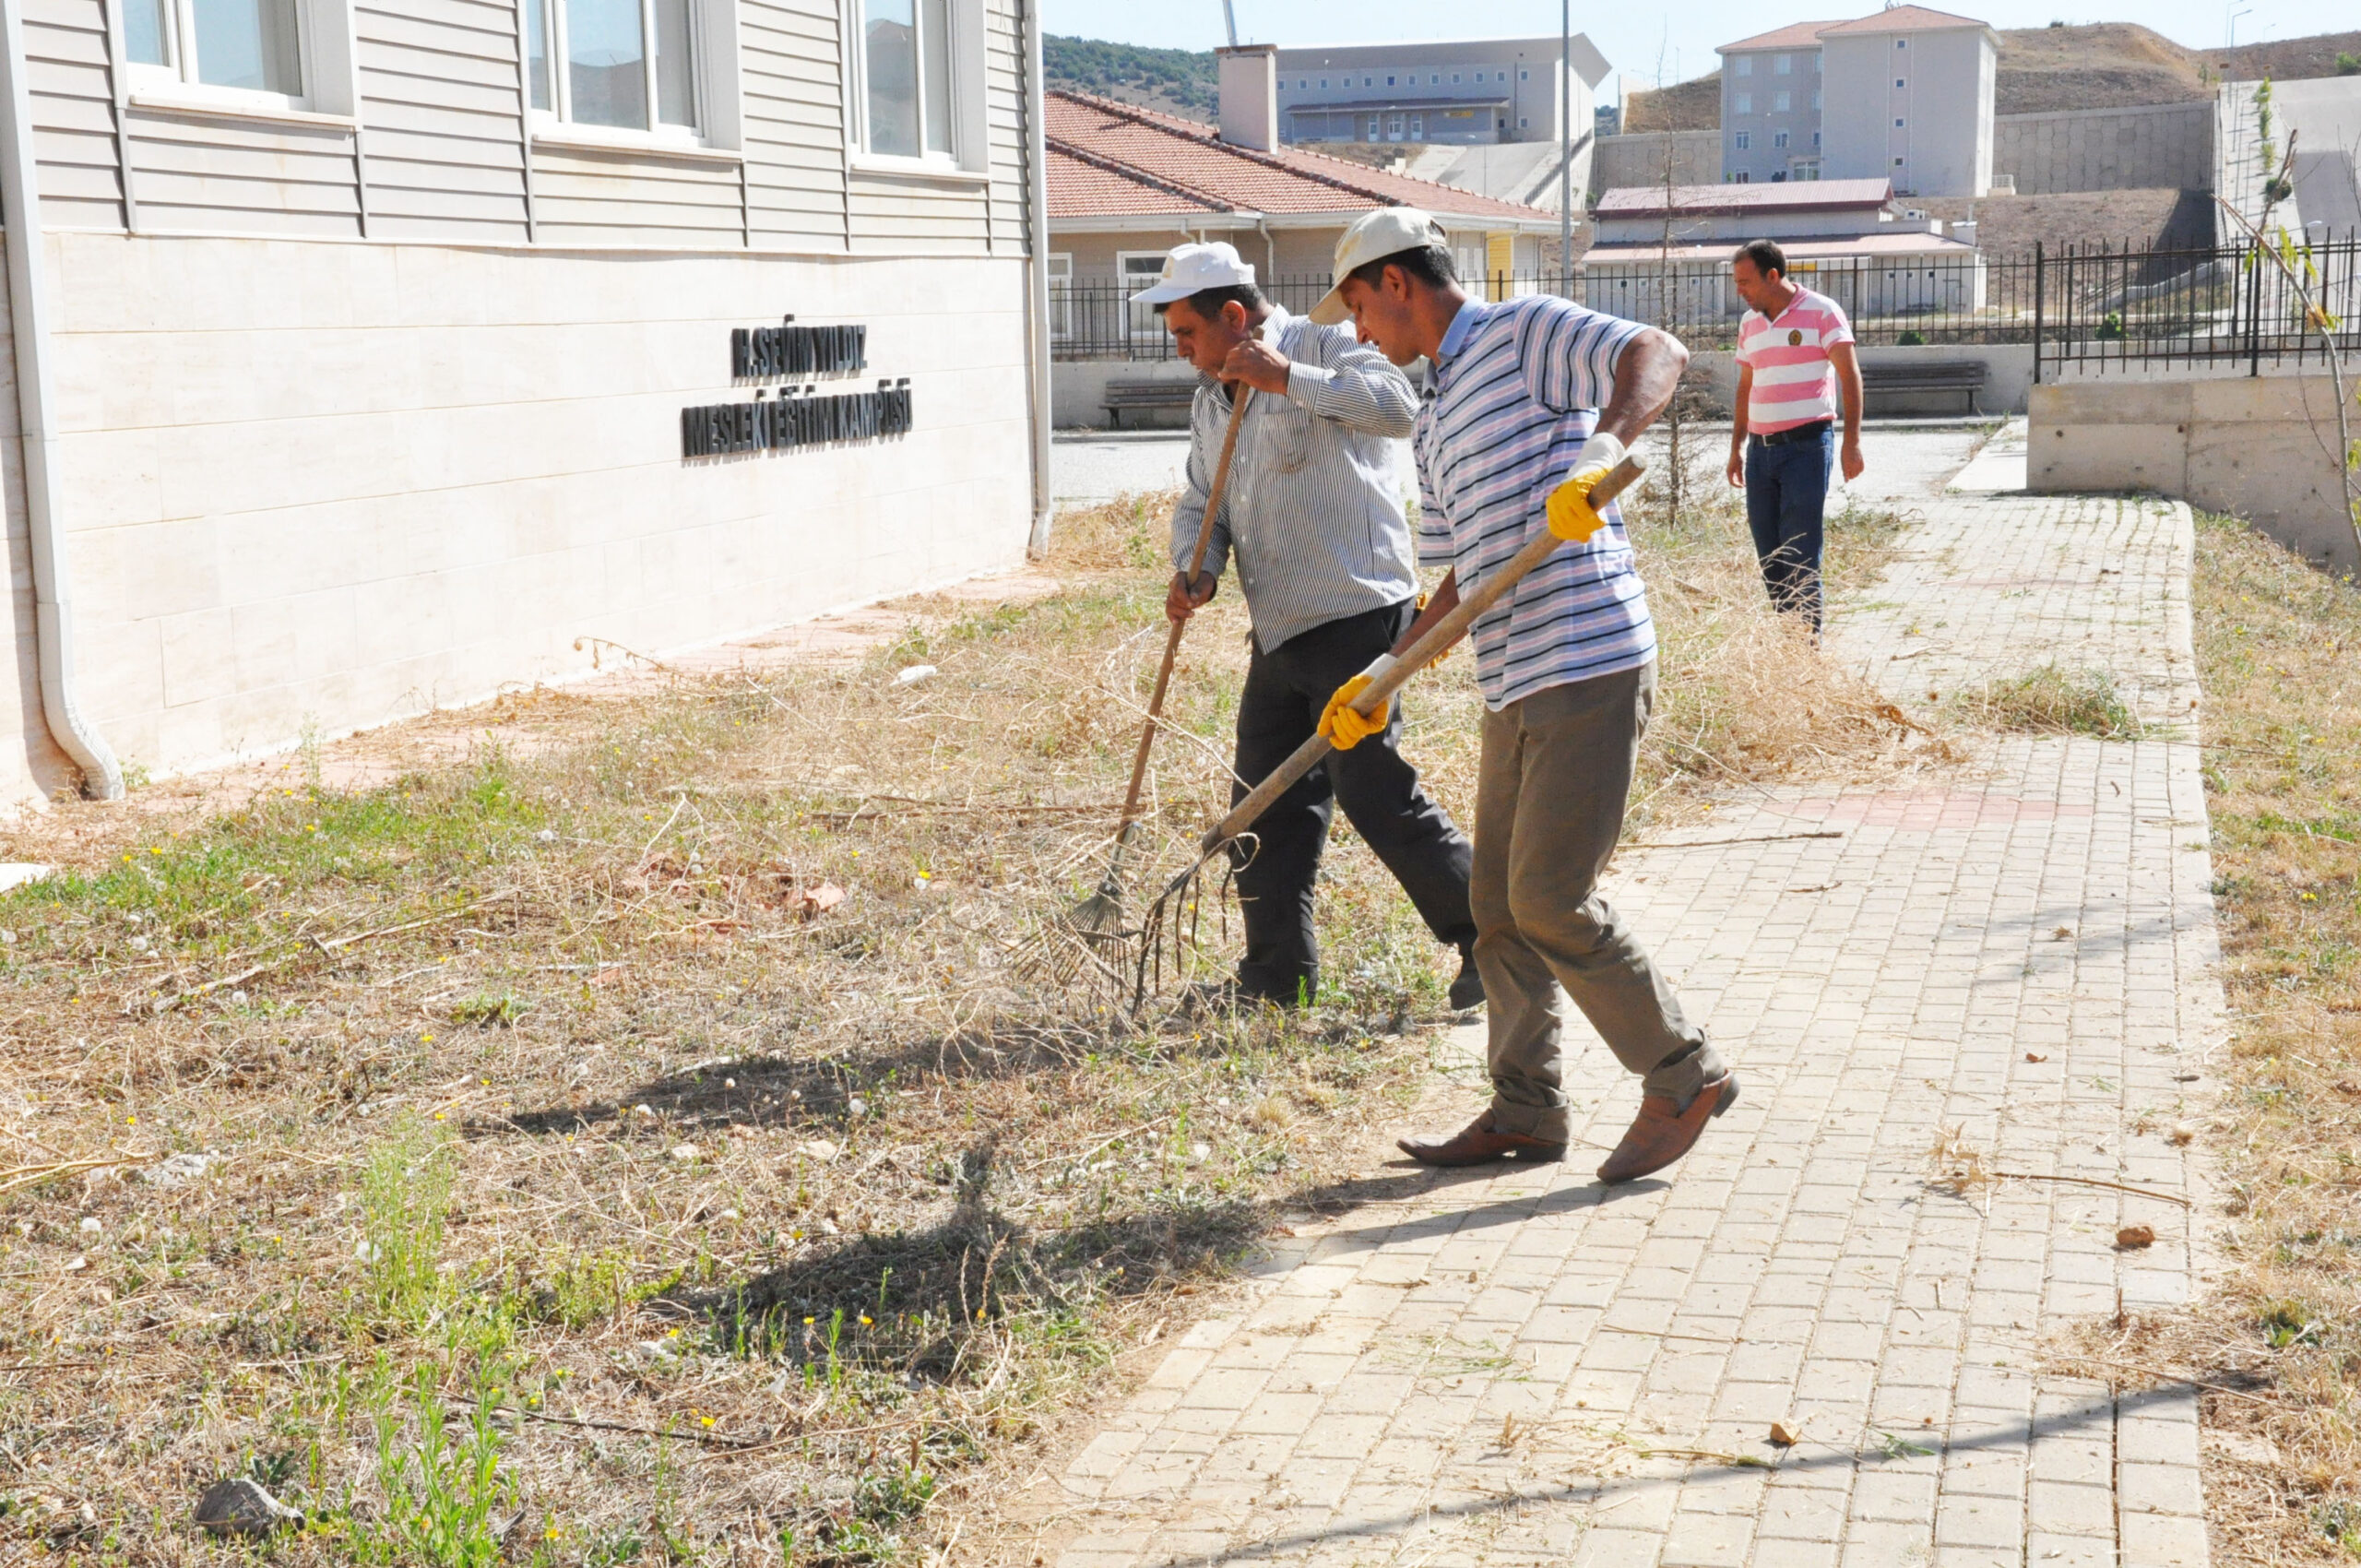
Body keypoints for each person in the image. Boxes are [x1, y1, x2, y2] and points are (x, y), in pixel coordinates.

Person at [1308, 208, 1738, 1184]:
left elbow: (1655, 352)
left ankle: (1682, 1072)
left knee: (1548, 896)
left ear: (1400, 282)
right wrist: (1383, 676)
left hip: (1588, 658)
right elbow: (1462, 578)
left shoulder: (1520, 332)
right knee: (1494, 903)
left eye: (1364, 309)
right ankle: (1525, 1107)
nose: (1363, 332)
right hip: (1513, 677)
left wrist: (1603, 451)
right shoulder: (1434, 416)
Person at [1134, 240, 1483, 1013]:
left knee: (1373, 791)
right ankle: (1275, 978)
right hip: (1281, 629)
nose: (1186, 354)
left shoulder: (1331, 345)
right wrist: (1198, 568)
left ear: (1233, 315)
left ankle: (1492, 941)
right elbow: (1204, 499)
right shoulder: (1209, 399)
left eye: (1189, 335)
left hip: (1360, 614)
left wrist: (1285, 378)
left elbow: (1398, 411)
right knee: (1262, 804)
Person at [1725, 238, 1866, 635]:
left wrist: (1851, 443)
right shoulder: (1749, 324)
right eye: (1736, 282)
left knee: (1799, 549)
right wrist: (1736, 447)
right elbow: (1745, 386)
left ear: (1773, 276)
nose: (1740, 290)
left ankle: (1807, 648)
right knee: (1770, 553)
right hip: (1760, 454)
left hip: (1806, 447)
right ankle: (1789, 639)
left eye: (1745, 282)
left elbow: (1849, 376)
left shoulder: (1822, 312)